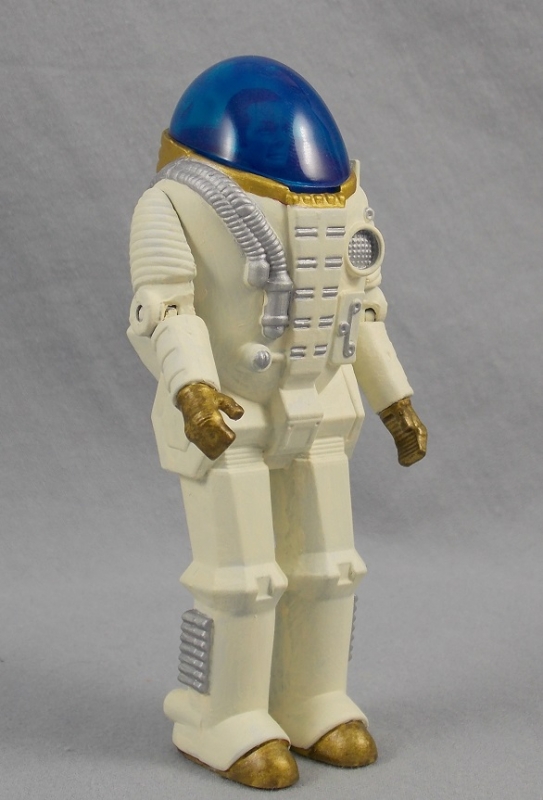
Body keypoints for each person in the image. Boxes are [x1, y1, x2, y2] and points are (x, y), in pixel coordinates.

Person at [128, 56, 427, 789]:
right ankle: (222, 715)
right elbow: (165, 309)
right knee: (242, 577)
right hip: (227, 413)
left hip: (320, 405)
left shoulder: (345, 200)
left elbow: (362, 315)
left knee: (330, 566)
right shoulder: (174, 202)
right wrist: (192, 389)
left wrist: (394, 401)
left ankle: (313, 699)